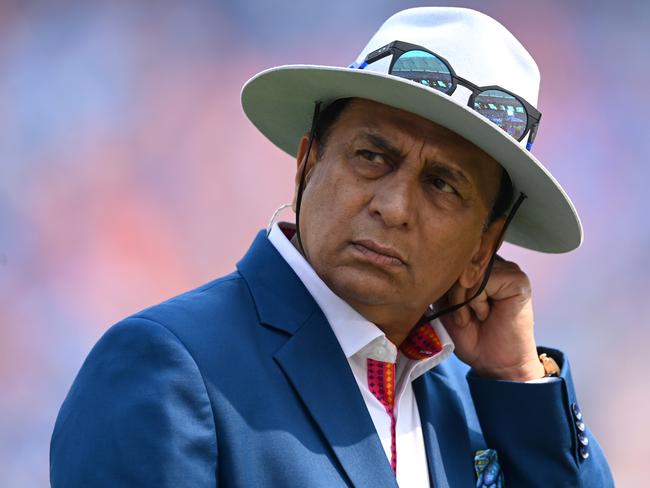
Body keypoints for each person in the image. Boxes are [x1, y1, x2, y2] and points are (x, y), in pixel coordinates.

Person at [50, 7, 614, 487]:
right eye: (372, 156)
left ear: (484, 246)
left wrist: (519, 379)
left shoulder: (485, 408)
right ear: (308, 163)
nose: (392, 207)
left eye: (443, 184)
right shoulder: (170, 366)